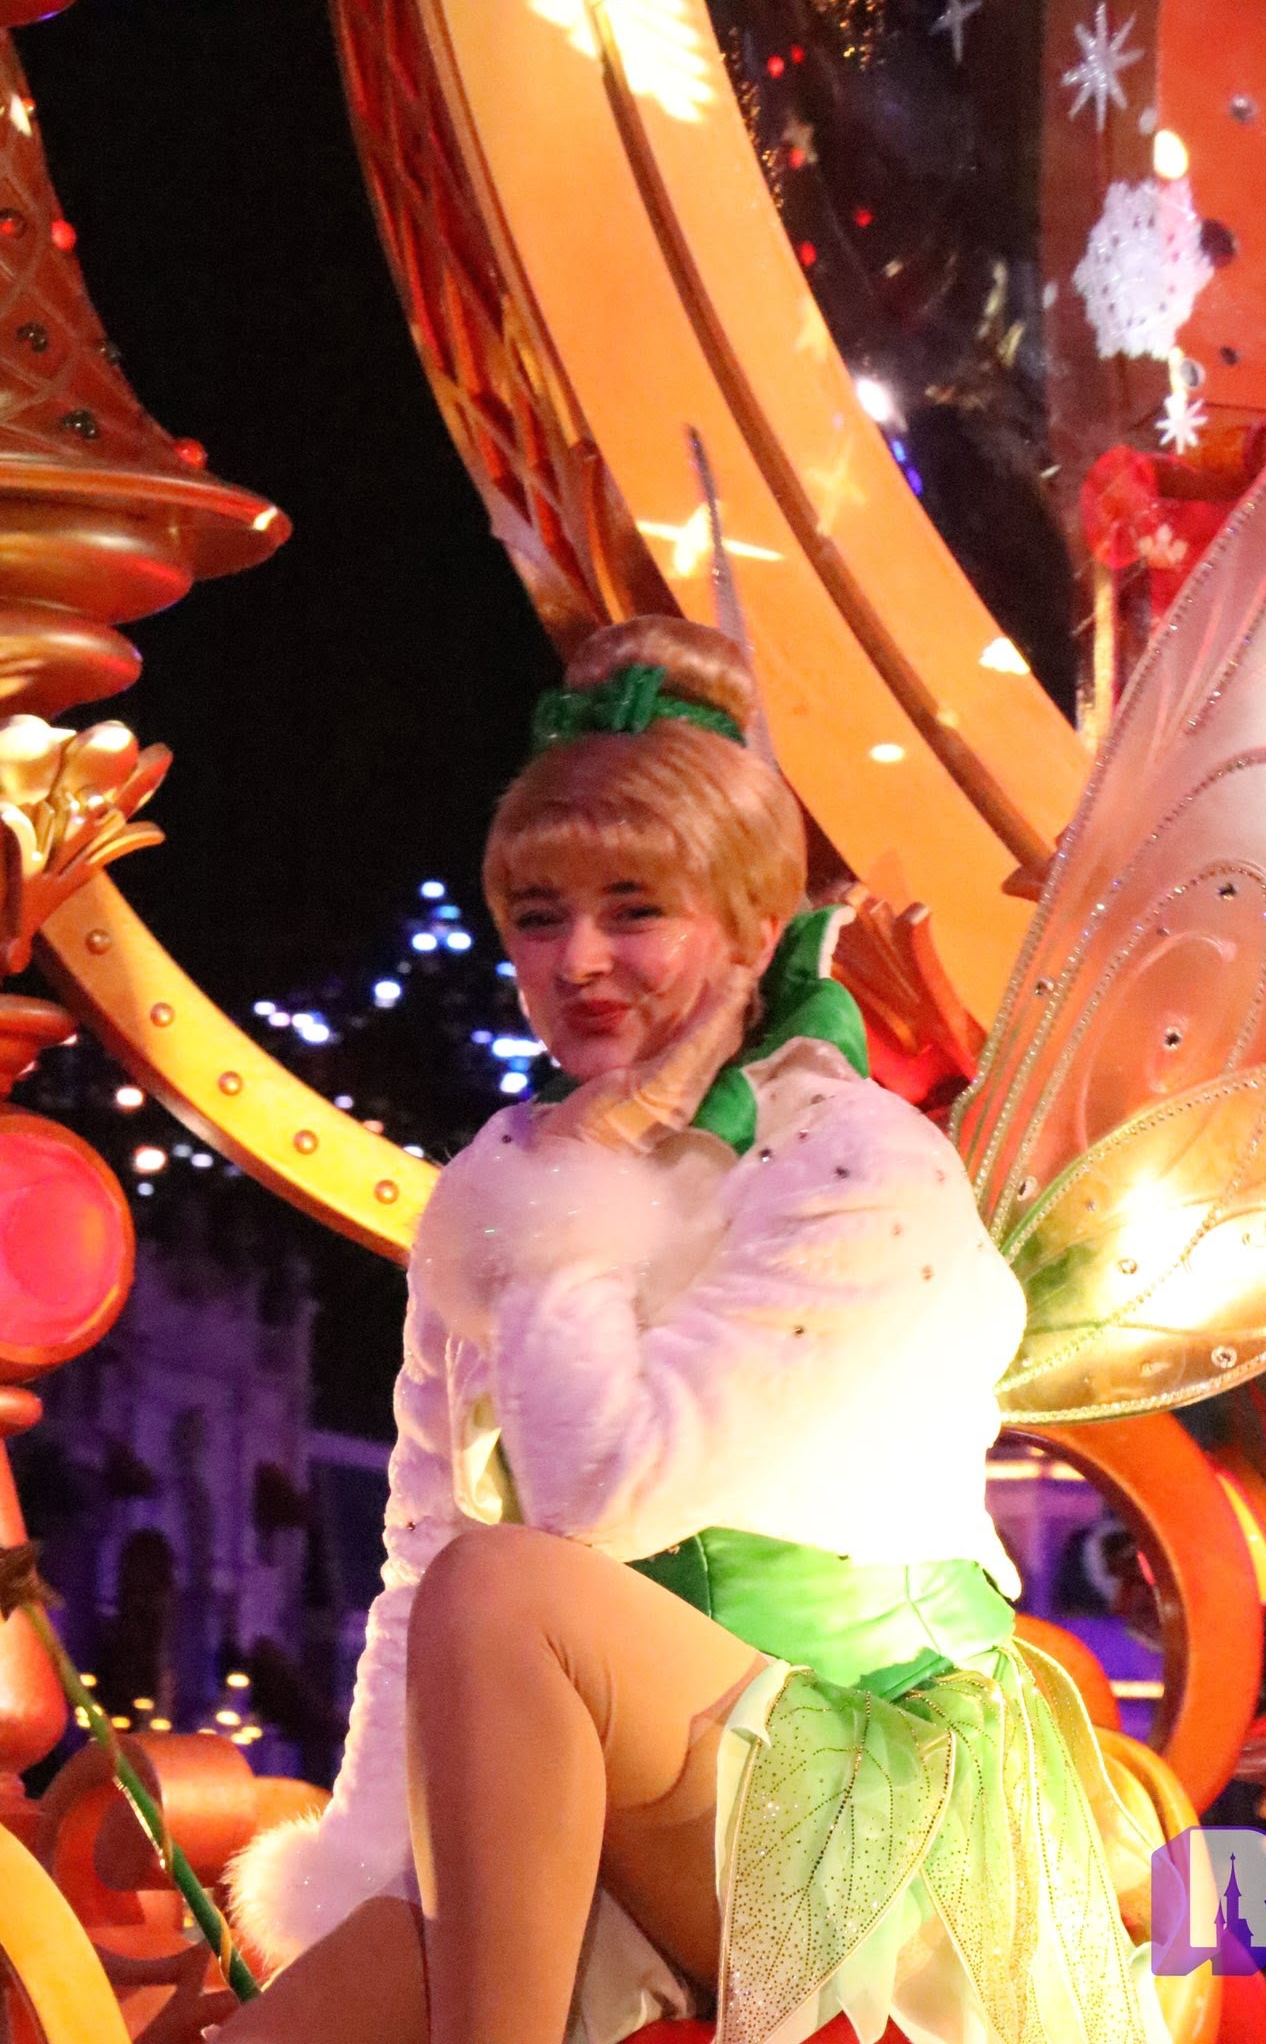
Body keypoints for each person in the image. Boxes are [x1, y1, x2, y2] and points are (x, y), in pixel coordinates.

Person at [224, 616, 1169, 2044]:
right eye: (538, 916)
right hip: (616, 1784)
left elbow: (597, 1497)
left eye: (634, 909)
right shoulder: (507, 1180)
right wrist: (372, 1880)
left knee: (507, 1588)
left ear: (749, 929)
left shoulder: (857, 1164)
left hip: (877, 1796)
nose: (580, 959)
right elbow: (418, 1554)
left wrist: (575, 1201)